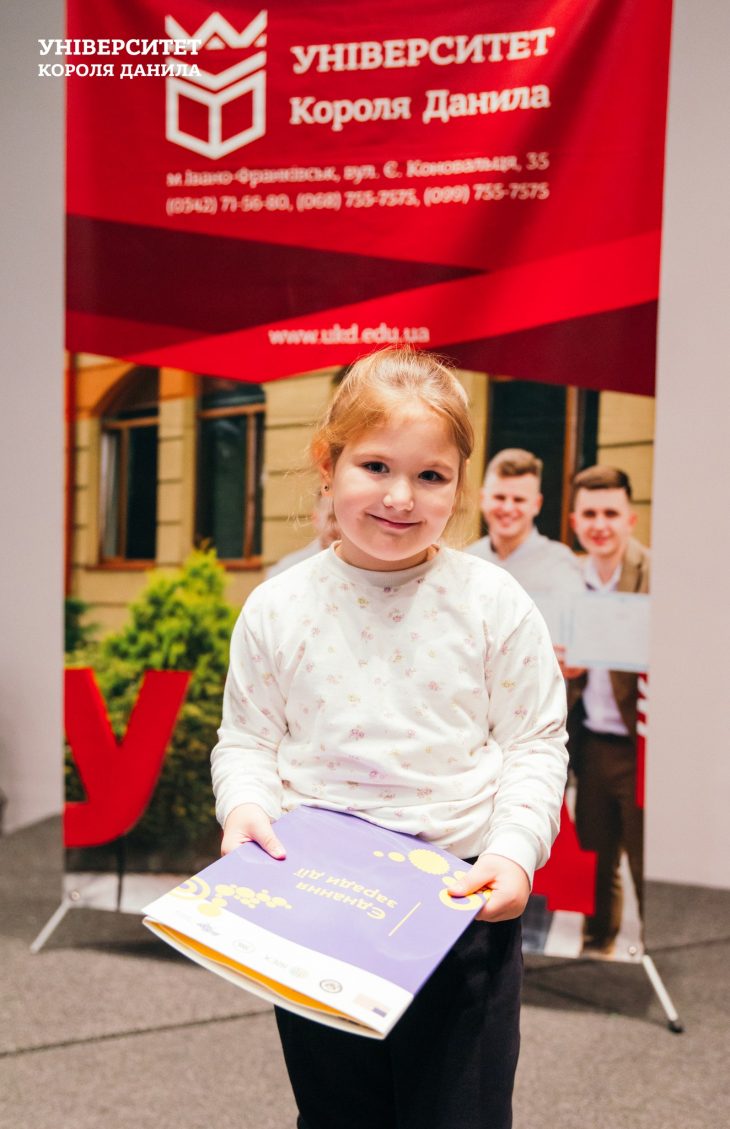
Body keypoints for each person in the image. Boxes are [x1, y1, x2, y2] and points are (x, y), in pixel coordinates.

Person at [211, 347, 568, 1129]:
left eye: (431, 475)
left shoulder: (493, 601)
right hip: (318, 912)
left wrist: (514, 852)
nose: (401, 496)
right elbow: (247, 739)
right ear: (328, 464)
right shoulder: (277, 608)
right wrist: (244, 806)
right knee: (337, 1113)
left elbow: (535, 741)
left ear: (459, 485)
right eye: (375, 465)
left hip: (461, 912)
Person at [567, 465, 650, 958]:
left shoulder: (654, 574)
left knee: (644, 859)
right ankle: (598, 951)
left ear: (630, 519)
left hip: (644, 745)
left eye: (611, 514)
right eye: (590, 514)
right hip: (592, 740)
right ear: (575, 521)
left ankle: (660, 957)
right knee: (596, 858)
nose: (600, 525)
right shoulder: (568, 579)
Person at [466, 447, 583, 600]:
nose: (508, 508)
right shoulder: (467, 561)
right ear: (483, 499)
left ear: (537, 504)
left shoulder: (559, 565)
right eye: (499, 497)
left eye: (519, 500)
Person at [265, 493, 339, 578]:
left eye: (347, 517)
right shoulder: (287, 570)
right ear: (315, 519)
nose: (341, 528)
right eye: (333, 518)